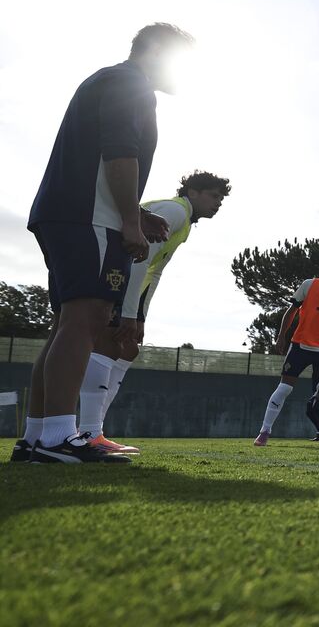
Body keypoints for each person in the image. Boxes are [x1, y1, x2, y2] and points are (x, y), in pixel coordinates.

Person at [14, 23, 193, 464]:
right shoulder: (130, 83)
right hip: (87, 217)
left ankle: (37, 437)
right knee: (87, 320)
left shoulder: (110, 79)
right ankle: (57, 435)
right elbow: (119, 152)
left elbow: (103, 156)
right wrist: (129, 220)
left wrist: (135, 212)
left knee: (66, 323)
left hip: (71, 212)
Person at [74, 171, 230, 455]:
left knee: (128, 349)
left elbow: (154, 271)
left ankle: (93, 429)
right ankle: (89, 433)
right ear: (192, 192)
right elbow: (137, 261)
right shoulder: (174, 211)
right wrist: (129, 315)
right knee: (110, 343)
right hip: (110, 271)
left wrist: (140, 315)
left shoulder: (183, 223)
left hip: (122, 281)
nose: (218, 203)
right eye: (214, 195)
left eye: (221, 199)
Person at [253, 253, 319, 447]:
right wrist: (281, 336)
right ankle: (264, 432)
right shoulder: (309, 285)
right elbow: (291, 311)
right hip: (300, 346)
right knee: (284, 388)